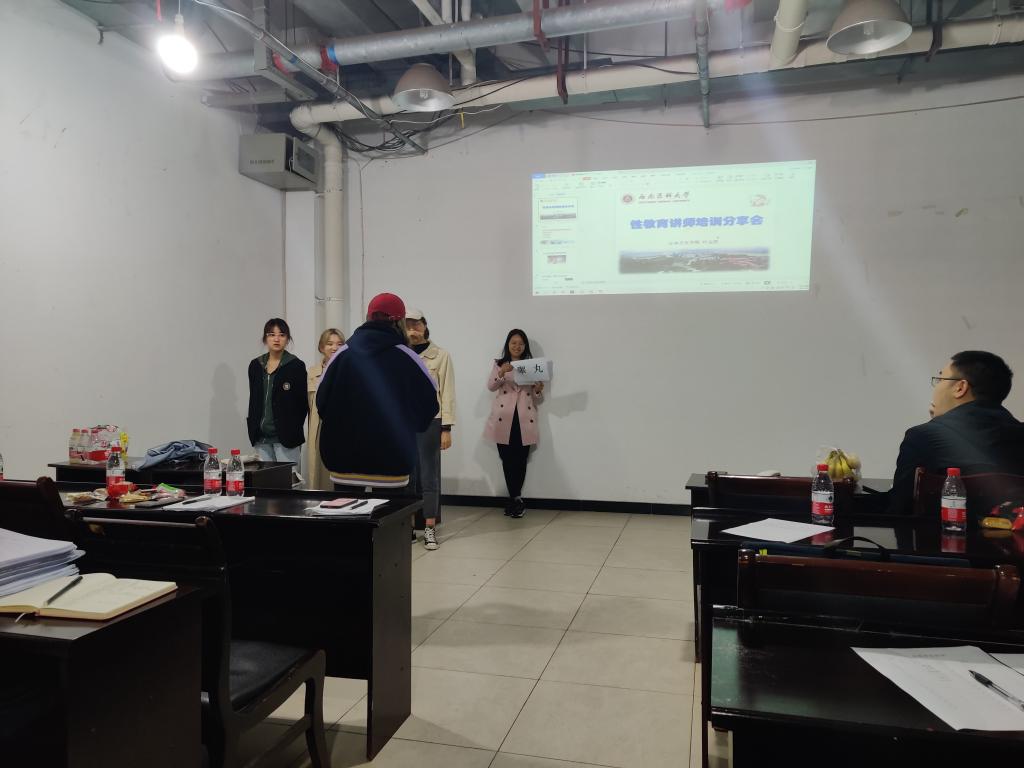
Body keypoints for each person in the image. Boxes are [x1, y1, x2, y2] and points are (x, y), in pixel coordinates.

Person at [316, 293, 438, 490]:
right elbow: (429, 405)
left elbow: (321, 401)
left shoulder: (342, 355)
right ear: (399, 322)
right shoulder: (408, 357)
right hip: (393, 459)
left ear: (368, 317)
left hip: (344, 461)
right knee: (391, 511)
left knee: (346, 510)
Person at [888, 350, 1024, 514]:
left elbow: (899, 509)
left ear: (960, 387)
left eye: (940, 379)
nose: (936, 387)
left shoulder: (922, 437)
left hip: (944, 530)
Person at [405, 308, 455, 551]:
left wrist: (446, 428)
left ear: (425, 325)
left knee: (429, 476)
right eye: (407, 325)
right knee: (406, 477)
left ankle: (429, 527)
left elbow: (447, 392)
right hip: (404, 422)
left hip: (431, 421)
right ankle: (407, 526)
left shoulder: (440, 355)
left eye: (416, 324)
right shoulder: (399, 353)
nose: (412, 329)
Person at [485, 329, 544, 518]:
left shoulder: (532, 366)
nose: (517, 346)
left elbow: (537, 398)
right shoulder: (499, 364)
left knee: (520, 460)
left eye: (521, 343)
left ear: (525, 346)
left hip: (524, 419)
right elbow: (491, 386)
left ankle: (515, 499)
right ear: (507, 345)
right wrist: (502, 372)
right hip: (504, 419)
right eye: (513, 343)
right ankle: (515, 499)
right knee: (507, 459)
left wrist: (538, 389)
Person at [247, 318, 308, 477]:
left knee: (289, 482)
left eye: (281, 335)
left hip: (286, 438)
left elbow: (302, 404)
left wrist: (292, 426)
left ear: (287, 339)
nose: (276, 339)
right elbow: (254, 400)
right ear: (265, 338)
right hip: (261, 438)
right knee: (265, 483)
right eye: (271, 334)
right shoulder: (255, 365)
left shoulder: (296, 365)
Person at [306, 328, 345, 490]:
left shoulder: (348, 370)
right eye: (329, 344)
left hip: (341, 430)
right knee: (318, 476)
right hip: (318, 430)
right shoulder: (311, 372)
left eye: (339, 344)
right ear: (322, 347)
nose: (334, 348)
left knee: (339, 475)